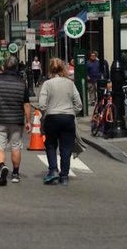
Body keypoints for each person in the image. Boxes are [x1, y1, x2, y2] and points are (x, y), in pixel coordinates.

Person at [0, 55, 32, 186]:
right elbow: (27, 104)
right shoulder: (21, 83)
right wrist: (28, 121)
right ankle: (16, 174)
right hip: (17, 120)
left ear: (4, 66)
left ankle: (2, 166)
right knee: (16, 146)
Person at [38, 58, 83, 186]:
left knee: (51, 144)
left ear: (50, 69)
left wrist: (47, 112)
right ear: (63, 69)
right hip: (68, 117)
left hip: (52, 117)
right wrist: (71, 112)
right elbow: (79, 104)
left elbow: (42, 105)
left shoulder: (47, 84)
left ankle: (53, 170)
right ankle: (64, 176)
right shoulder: (70, 83)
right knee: (66, 148)